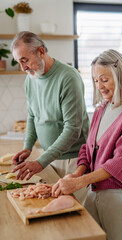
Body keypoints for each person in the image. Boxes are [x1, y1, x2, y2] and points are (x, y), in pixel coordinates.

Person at [52, 49, 122, 240]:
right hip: (97, 192)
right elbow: (87, 149)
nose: (99, 86)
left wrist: (79, 182)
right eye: (95, 80)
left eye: (104, 79)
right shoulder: (102, 107)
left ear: (120, 75)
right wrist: (76, 173)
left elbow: (121, 162)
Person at [11, 31, 89, 203]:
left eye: (25, 60)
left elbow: (73, 129)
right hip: (50, 158)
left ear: (40, 51)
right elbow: (32, 115)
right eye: (19, 62)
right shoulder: (31, 79)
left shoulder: (68, 77)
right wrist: (28, 146)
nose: (23, 68)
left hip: (74, 161)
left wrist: (40, 162)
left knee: (74, 217)